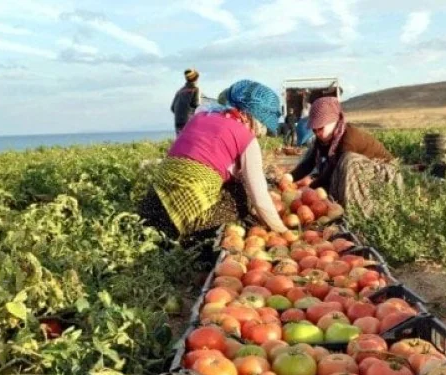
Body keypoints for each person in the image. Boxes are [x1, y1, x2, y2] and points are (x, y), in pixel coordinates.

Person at [140, 79, 288, 248]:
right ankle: (195, 238)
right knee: (243, 195)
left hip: (154, 204)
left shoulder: (200, 117)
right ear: (254, 118)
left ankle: (161, 235)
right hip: (189, 216)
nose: (261, 133)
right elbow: (259, 198)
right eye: (263, 126)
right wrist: (282, 231)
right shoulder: (246, 137)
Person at [288, 96, 401, 213]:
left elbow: (333, 170)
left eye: (320, 128)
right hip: (361, 172)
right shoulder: (323, 139)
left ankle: (360, 210)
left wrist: (309, 190)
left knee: (347, 160)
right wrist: (288, 179)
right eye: (314, 130)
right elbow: (308, 163)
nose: (317, 133)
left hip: (382, 174)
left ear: (333, 121)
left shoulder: (349, 138)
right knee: (326, 164)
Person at [170, 68, 201, 136]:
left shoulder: (179, 91)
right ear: (196, 79)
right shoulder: (195, 89)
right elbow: (195, 105)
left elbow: (172, 108)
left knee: (181, 140)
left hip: (178, 121)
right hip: (188, 121)